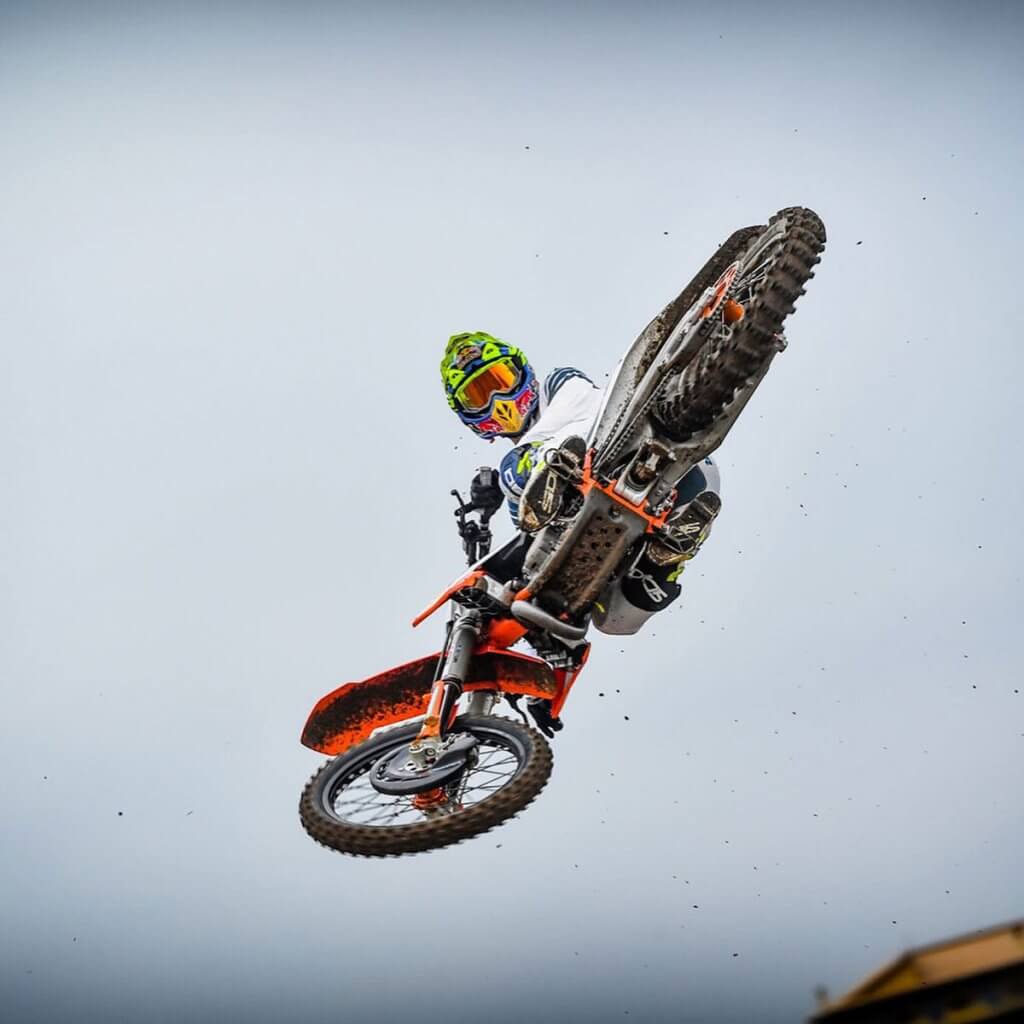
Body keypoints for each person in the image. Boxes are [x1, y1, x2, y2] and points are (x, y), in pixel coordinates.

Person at [441, 330, 723, 629]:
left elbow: (588, 409)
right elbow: (528, 541)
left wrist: (522, 469)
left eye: (499, 380)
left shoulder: (559, 384)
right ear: (471, 419)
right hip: (659, 515)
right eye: (478, 397)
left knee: (512, 472)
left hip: (664, 460)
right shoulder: (517, 493)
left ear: (522, 371)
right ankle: (669, 552)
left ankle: (557, 465)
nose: (496, 400)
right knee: (615, 620)